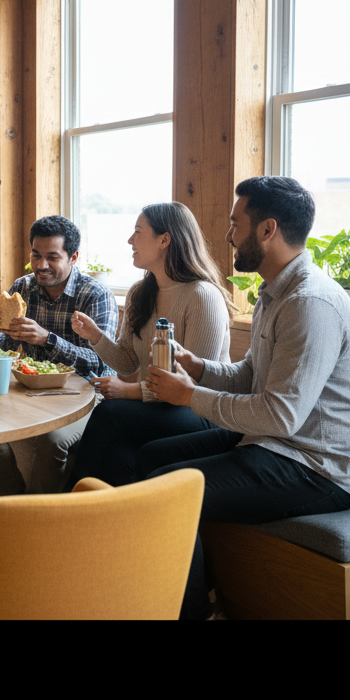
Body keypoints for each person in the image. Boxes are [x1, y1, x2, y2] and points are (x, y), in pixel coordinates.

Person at [140, 177, 350, 620]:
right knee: (150, 457)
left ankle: (188, 612)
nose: (228, 235)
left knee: (168, 490)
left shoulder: (309, 303)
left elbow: (280, 415)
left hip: (318, 467)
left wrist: (191, 396)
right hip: (273, 443)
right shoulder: (273, 291)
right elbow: (251, 376)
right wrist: (200, 368)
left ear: (267, 230)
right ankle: (187, 587)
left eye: (235, 224)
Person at [68, 202, 235, 487]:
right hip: (159, 409)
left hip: (200, 411)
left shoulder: (202, 296)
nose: (130, 240)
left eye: (137, 232)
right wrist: (95, 336)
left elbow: (193, 382)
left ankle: (63, 508)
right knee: (120, 456)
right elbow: (127, 362)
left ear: (164, 240)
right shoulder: (138, 293)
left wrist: (132, 391)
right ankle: (108, 525)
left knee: (108, 414)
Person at [0, 215, 118, 496]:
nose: (41, 265)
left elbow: (104, 363)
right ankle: (14, 503)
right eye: (36, 255)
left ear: (73, 257)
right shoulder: (22, 288)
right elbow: (3, 346)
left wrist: (48, 339)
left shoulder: (95, 294)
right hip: (30, 386)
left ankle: (41, 514)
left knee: (52, 439)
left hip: (86, 393)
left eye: (52, 257)